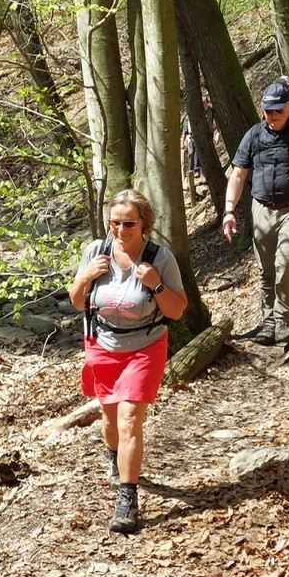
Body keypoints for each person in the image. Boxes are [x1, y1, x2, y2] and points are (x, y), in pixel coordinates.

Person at [69, 189, 188, 533]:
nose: (120, 230)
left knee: (129, 417)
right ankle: (114, 458)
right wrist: (85, 276)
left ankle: (127, 499)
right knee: (109, 419)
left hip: (145, 347)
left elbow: (178, 311)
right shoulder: (96, 251)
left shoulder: (160, 258)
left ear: (144, 223)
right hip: (102, 345)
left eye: (129, 223)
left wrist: (156, 285)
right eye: (115, 222)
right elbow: (77, 301)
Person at [223, 83, 289, 346]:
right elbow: (238, 175)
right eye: (267, 110)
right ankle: (269, 321)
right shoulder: (253, 135)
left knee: (286, 262)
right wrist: (229, 211)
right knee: (266, 270)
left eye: (278, 110)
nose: (272, 115)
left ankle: (283, 319)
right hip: (261, 209)